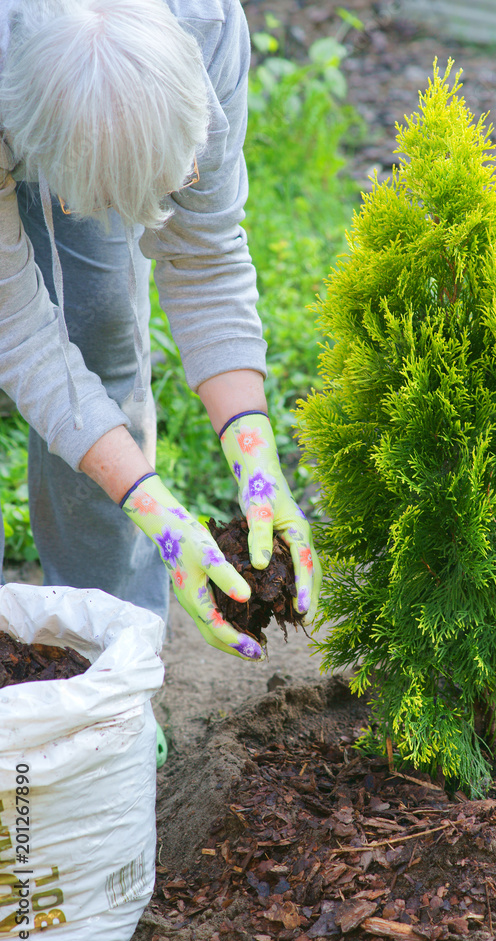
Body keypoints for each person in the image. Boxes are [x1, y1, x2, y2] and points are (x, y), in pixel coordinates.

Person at [0, 0, 321, 671]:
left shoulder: (204, 25)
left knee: (101, 322)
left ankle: (105, 667)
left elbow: (202, 256)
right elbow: (17, 332)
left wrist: (254, 460)